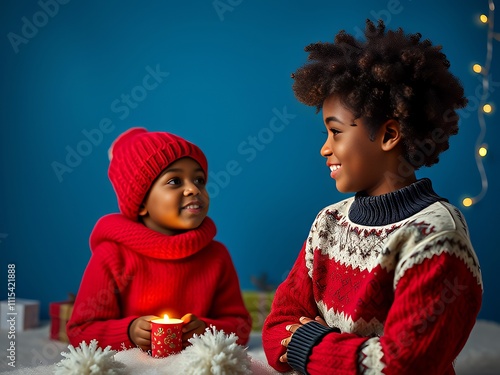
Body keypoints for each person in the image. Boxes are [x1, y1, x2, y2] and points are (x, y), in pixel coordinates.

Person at [262, 19, 483, 375]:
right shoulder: (327, 222)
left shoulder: (436, 237)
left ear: (389, 134)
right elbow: (275, 329)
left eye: (336, 132)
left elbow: (404, 364)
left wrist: (308, 343)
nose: (324, 149)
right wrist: (342, 350)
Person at [67, 127, 251, 351]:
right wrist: (130, 331)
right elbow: (80, 331)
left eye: (199, 180)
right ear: (142, 202)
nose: (193, 189)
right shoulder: (112, 256)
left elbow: (241, 327)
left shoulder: (216, 256)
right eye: (175, 181)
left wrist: (206, 330)